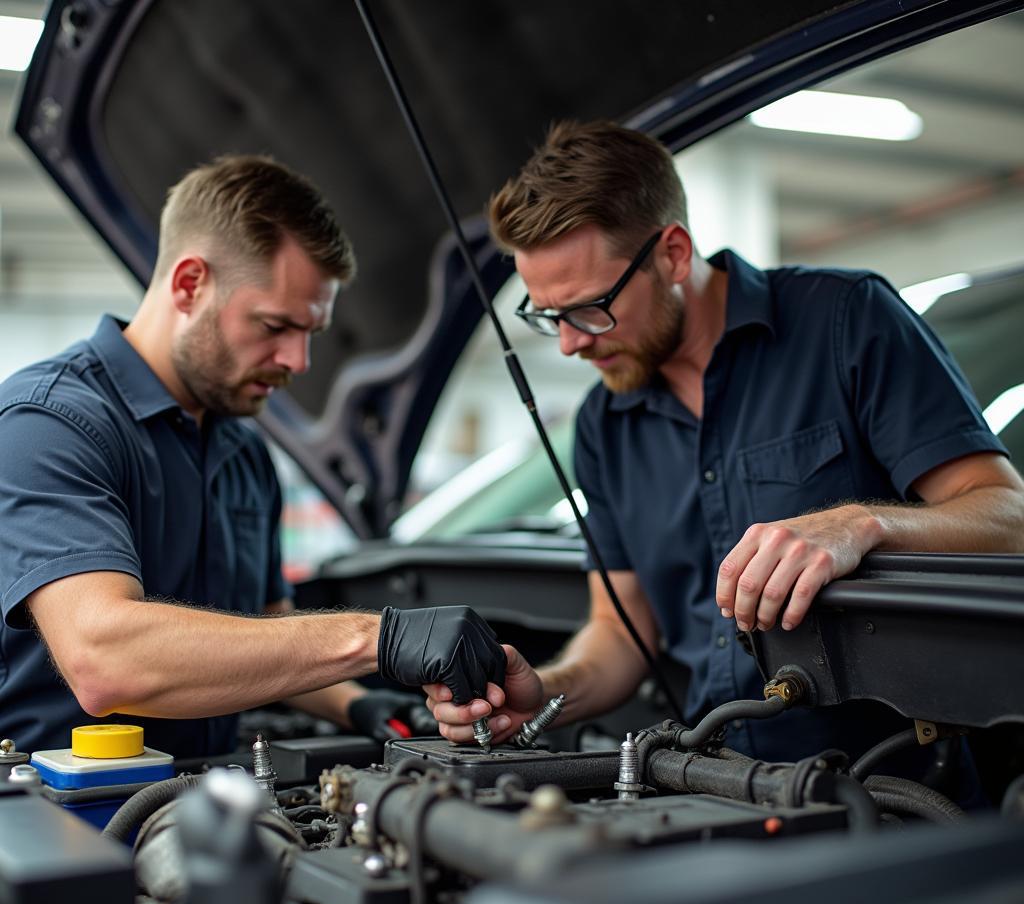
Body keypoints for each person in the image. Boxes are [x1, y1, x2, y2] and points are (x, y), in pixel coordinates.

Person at [425, 120, 1024, 764]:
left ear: (674, 254)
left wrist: (861, 524)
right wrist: (543, 695)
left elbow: (1008, 515)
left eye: (588, 308)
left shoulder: (847, 322)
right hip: (709, 790)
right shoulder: (604, 423)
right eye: (547, 316)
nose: (571, 343)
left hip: (891, 788)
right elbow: (618, 636)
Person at [0, 155, 505, 758]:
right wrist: (378, 638)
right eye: (274, 326)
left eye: (309, 334)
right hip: (67, 824)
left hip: (206, 801)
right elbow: (106, 661)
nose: (298, 362)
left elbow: (265, 628)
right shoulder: (49, 424)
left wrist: (359, 703)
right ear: (189, 285)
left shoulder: (244, 449)